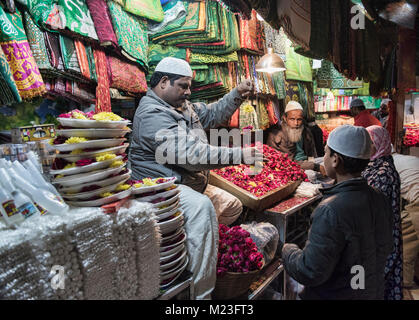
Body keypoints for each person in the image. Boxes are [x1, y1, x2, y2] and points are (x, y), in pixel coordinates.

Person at [128, 57, 259, 299]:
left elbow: (211, 114)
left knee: (233, 206)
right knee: (202, 209)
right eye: (184, 86)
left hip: (184, 181)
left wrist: (237, 93)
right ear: (164, 82)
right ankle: (200, 294)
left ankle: (195, 252)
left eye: (189, 87)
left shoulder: (181, 106)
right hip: (162, 187)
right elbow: (191, 155)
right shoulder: (151, 115)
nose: (188, 92)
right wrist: (239, 154)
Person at [281, 125, 394, 299]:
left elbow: (310, 271)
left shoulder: (330, 210)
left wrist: (288, 250)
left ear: (335, 160)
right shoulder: (378, 197)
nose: (323, 157)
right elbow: (384, 247)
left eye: (326, 152)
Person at [361, 125, 403, 300]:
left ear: (379, 144)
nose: (365, 146)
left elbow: (370, 208)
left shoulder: (383, 172)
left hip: (381, 239)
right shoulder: (376, 165)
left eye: (369, 142)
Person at [266, 101, 324, 173]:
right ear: (285, 118)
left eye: (299, 119)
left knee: (326, 162)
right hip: (292, 167)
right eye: (292, 119)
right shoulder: (277, 136)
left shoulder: (305, 131)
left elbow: (311, 154)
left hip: (307, 162)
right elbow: (288, 163)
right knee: (312, 174)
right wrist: (314, 167)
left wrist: (313, 164)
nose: (296, 123)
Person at [392, 153, 419, 288]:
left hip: (416, 201)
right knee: (407, 240)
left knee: (405, 243)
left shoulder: (386, 165)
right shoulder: (407, 158)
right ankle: (406, 280)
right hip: (413, 204)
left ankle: (406, 281)